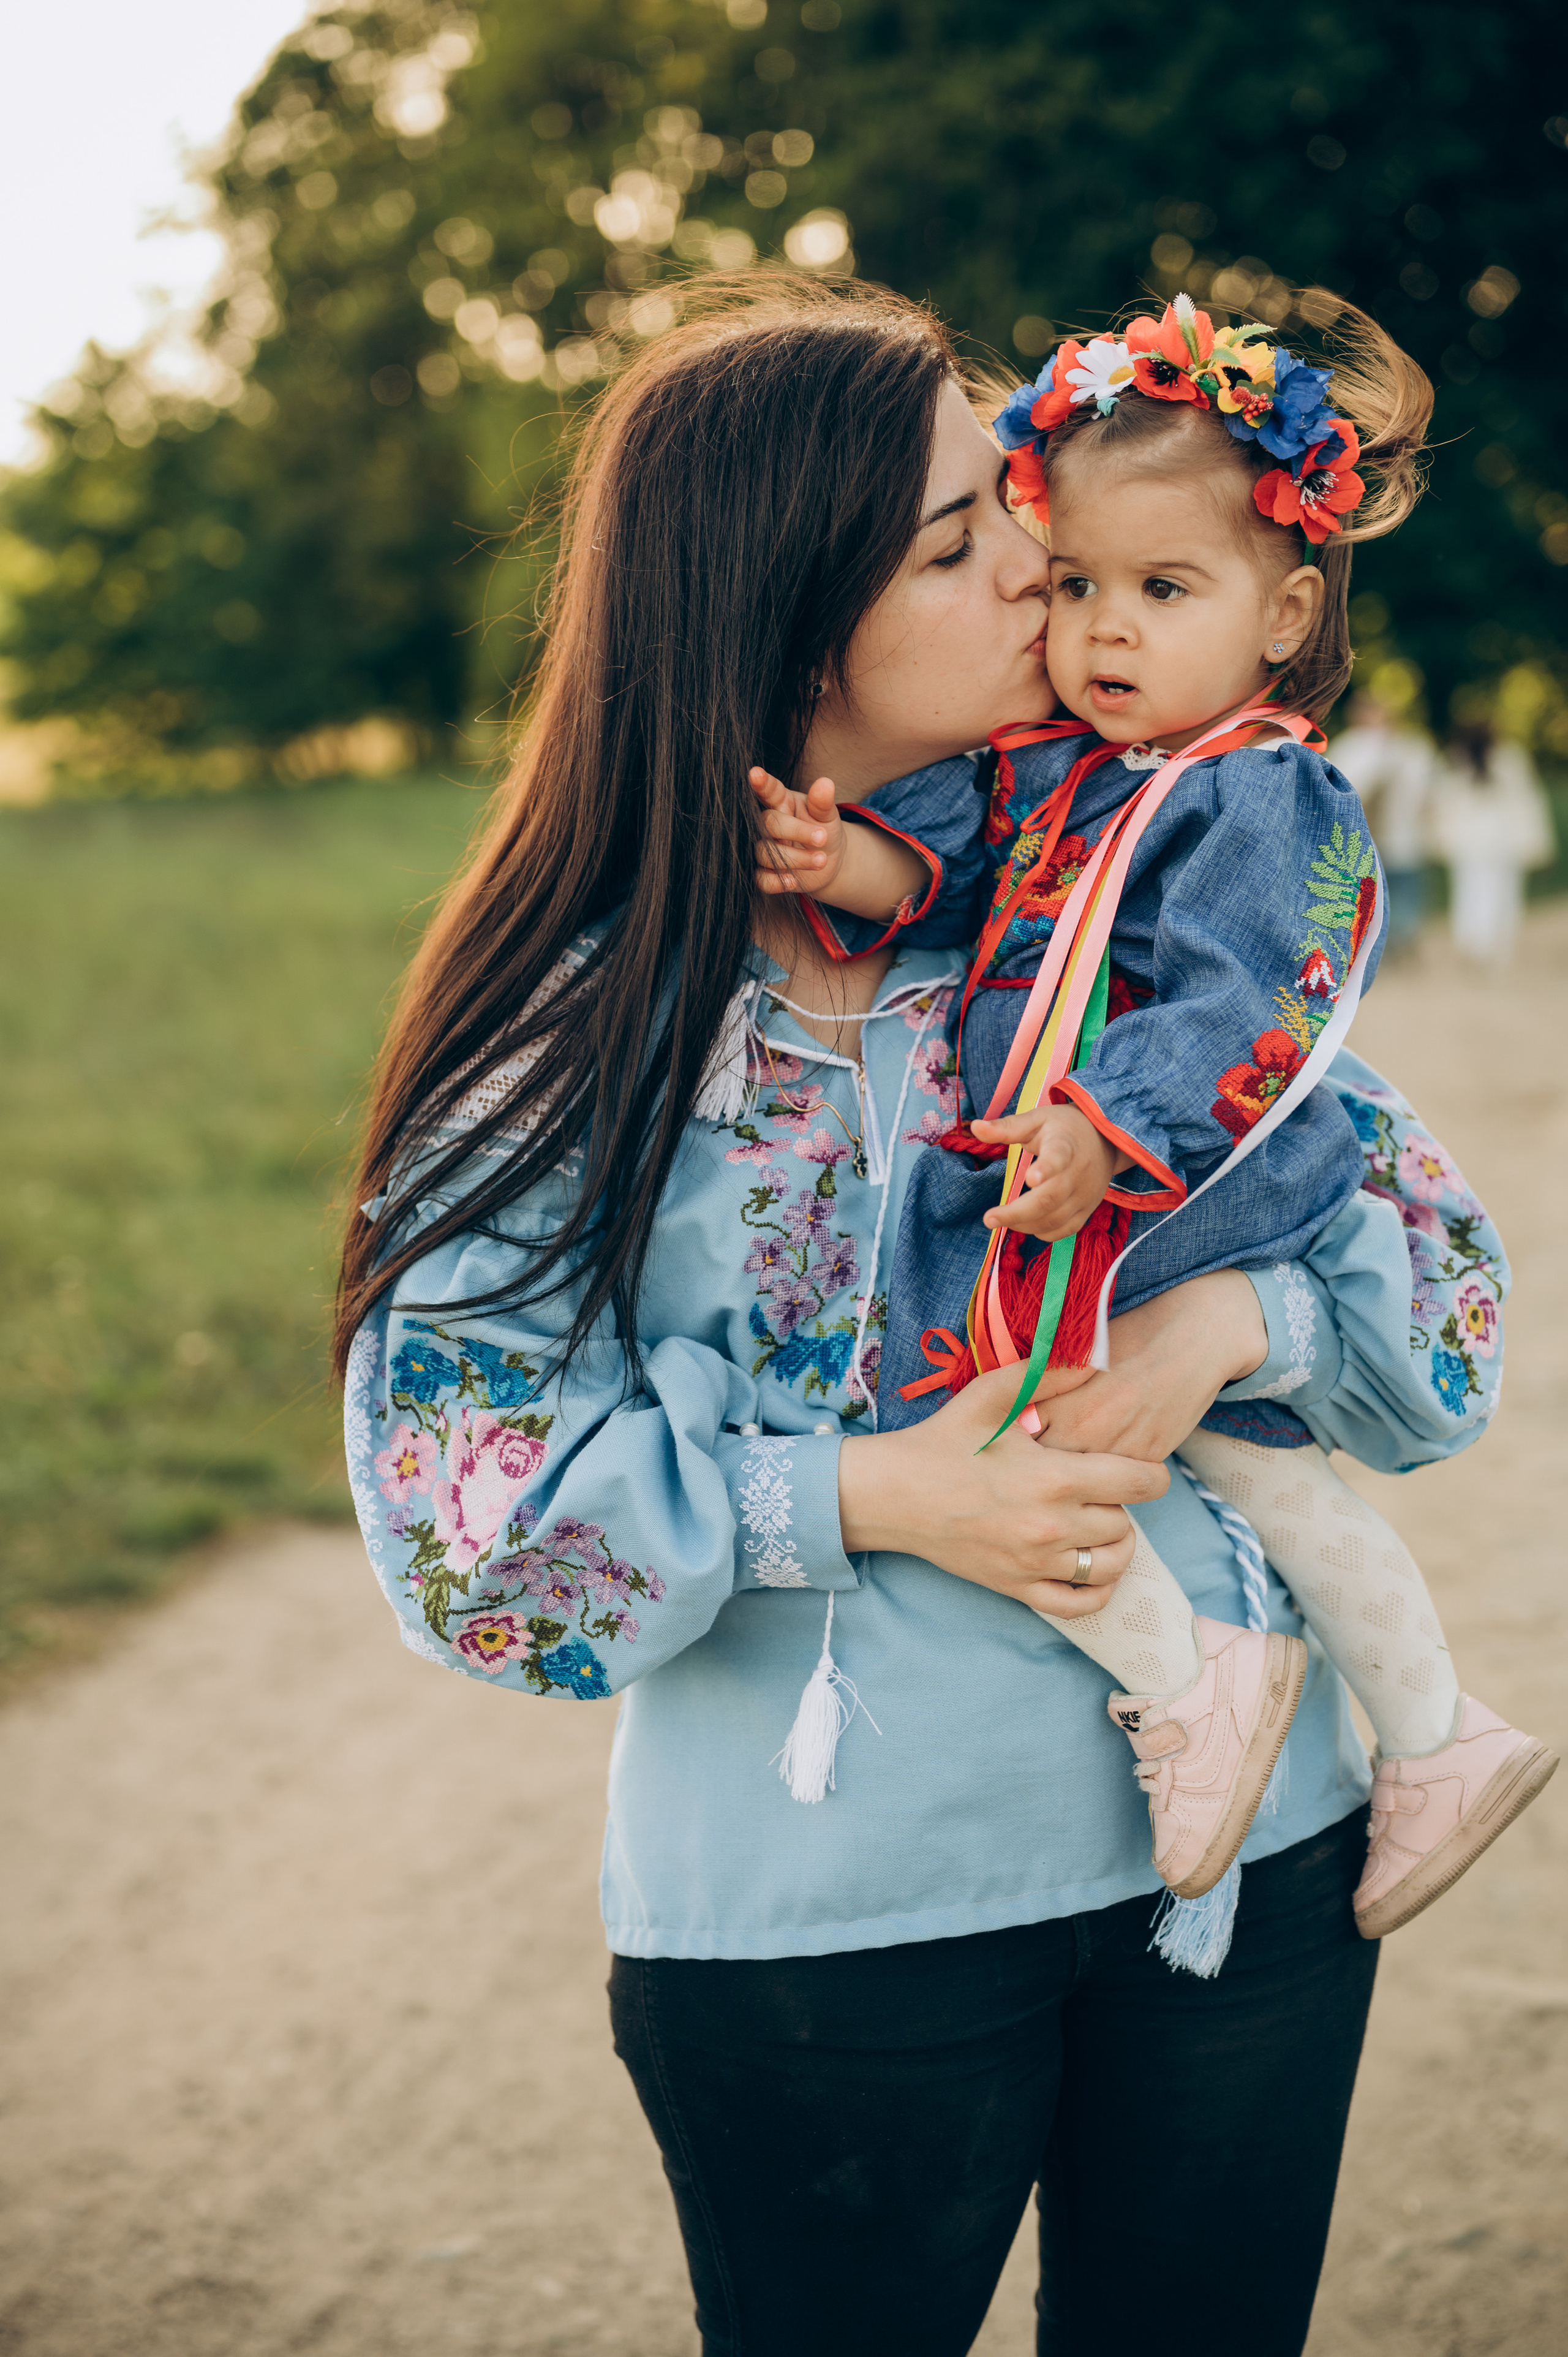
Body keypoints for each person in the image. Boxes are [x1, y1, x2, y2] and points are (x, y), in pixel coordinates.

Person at [335, 279, 1508, 2357]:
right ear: (793, 623)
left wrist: (1226, 1318)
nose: (1047, 574)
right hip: (834, 1927)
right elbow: (477, 1532)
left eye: (1035, 522)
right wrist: (865, 1490)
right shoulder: (579, 1031)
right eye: (971, 544)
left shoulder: (1131, 893)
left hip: (1262, 1886)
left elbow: (1451, 1310)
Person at [753, 292, 1553, 1945]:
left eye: (1164, 591)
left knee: (994, 1407)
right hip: (1119, 1185)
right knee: (1263, 1471)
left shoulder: (1261, 787)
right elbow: (964, 886)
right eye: (1078, 587)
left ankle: (1197, 1687)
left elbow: (1253, 996)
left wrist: (1113, 1130)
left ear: (1283, 614)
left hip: (1180, 1180)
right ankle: (1435, 1730)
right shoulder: (1066, 769)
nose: (1103, 631)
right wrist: (860, 867)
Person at [1430, 718, 1556, 967]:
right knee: (1505, 892)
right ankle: (1497, 948)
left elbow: (1443, 804)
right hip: (1503, 836)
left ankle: (1473, 942)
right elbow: (1528, 802)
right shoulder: (1510, 759)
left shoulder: (1457, 761)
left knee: (1469, 890)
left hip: (1469, 838)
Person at [1330, 690, 1437, 956]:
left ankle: (1397, 941)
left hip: (1394, 834)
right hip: (1375, 834)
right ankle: (1390, 943)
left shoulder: (1409, 747)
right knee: (1385, 890)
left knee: (1393, 888)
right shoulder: (1356, 747)